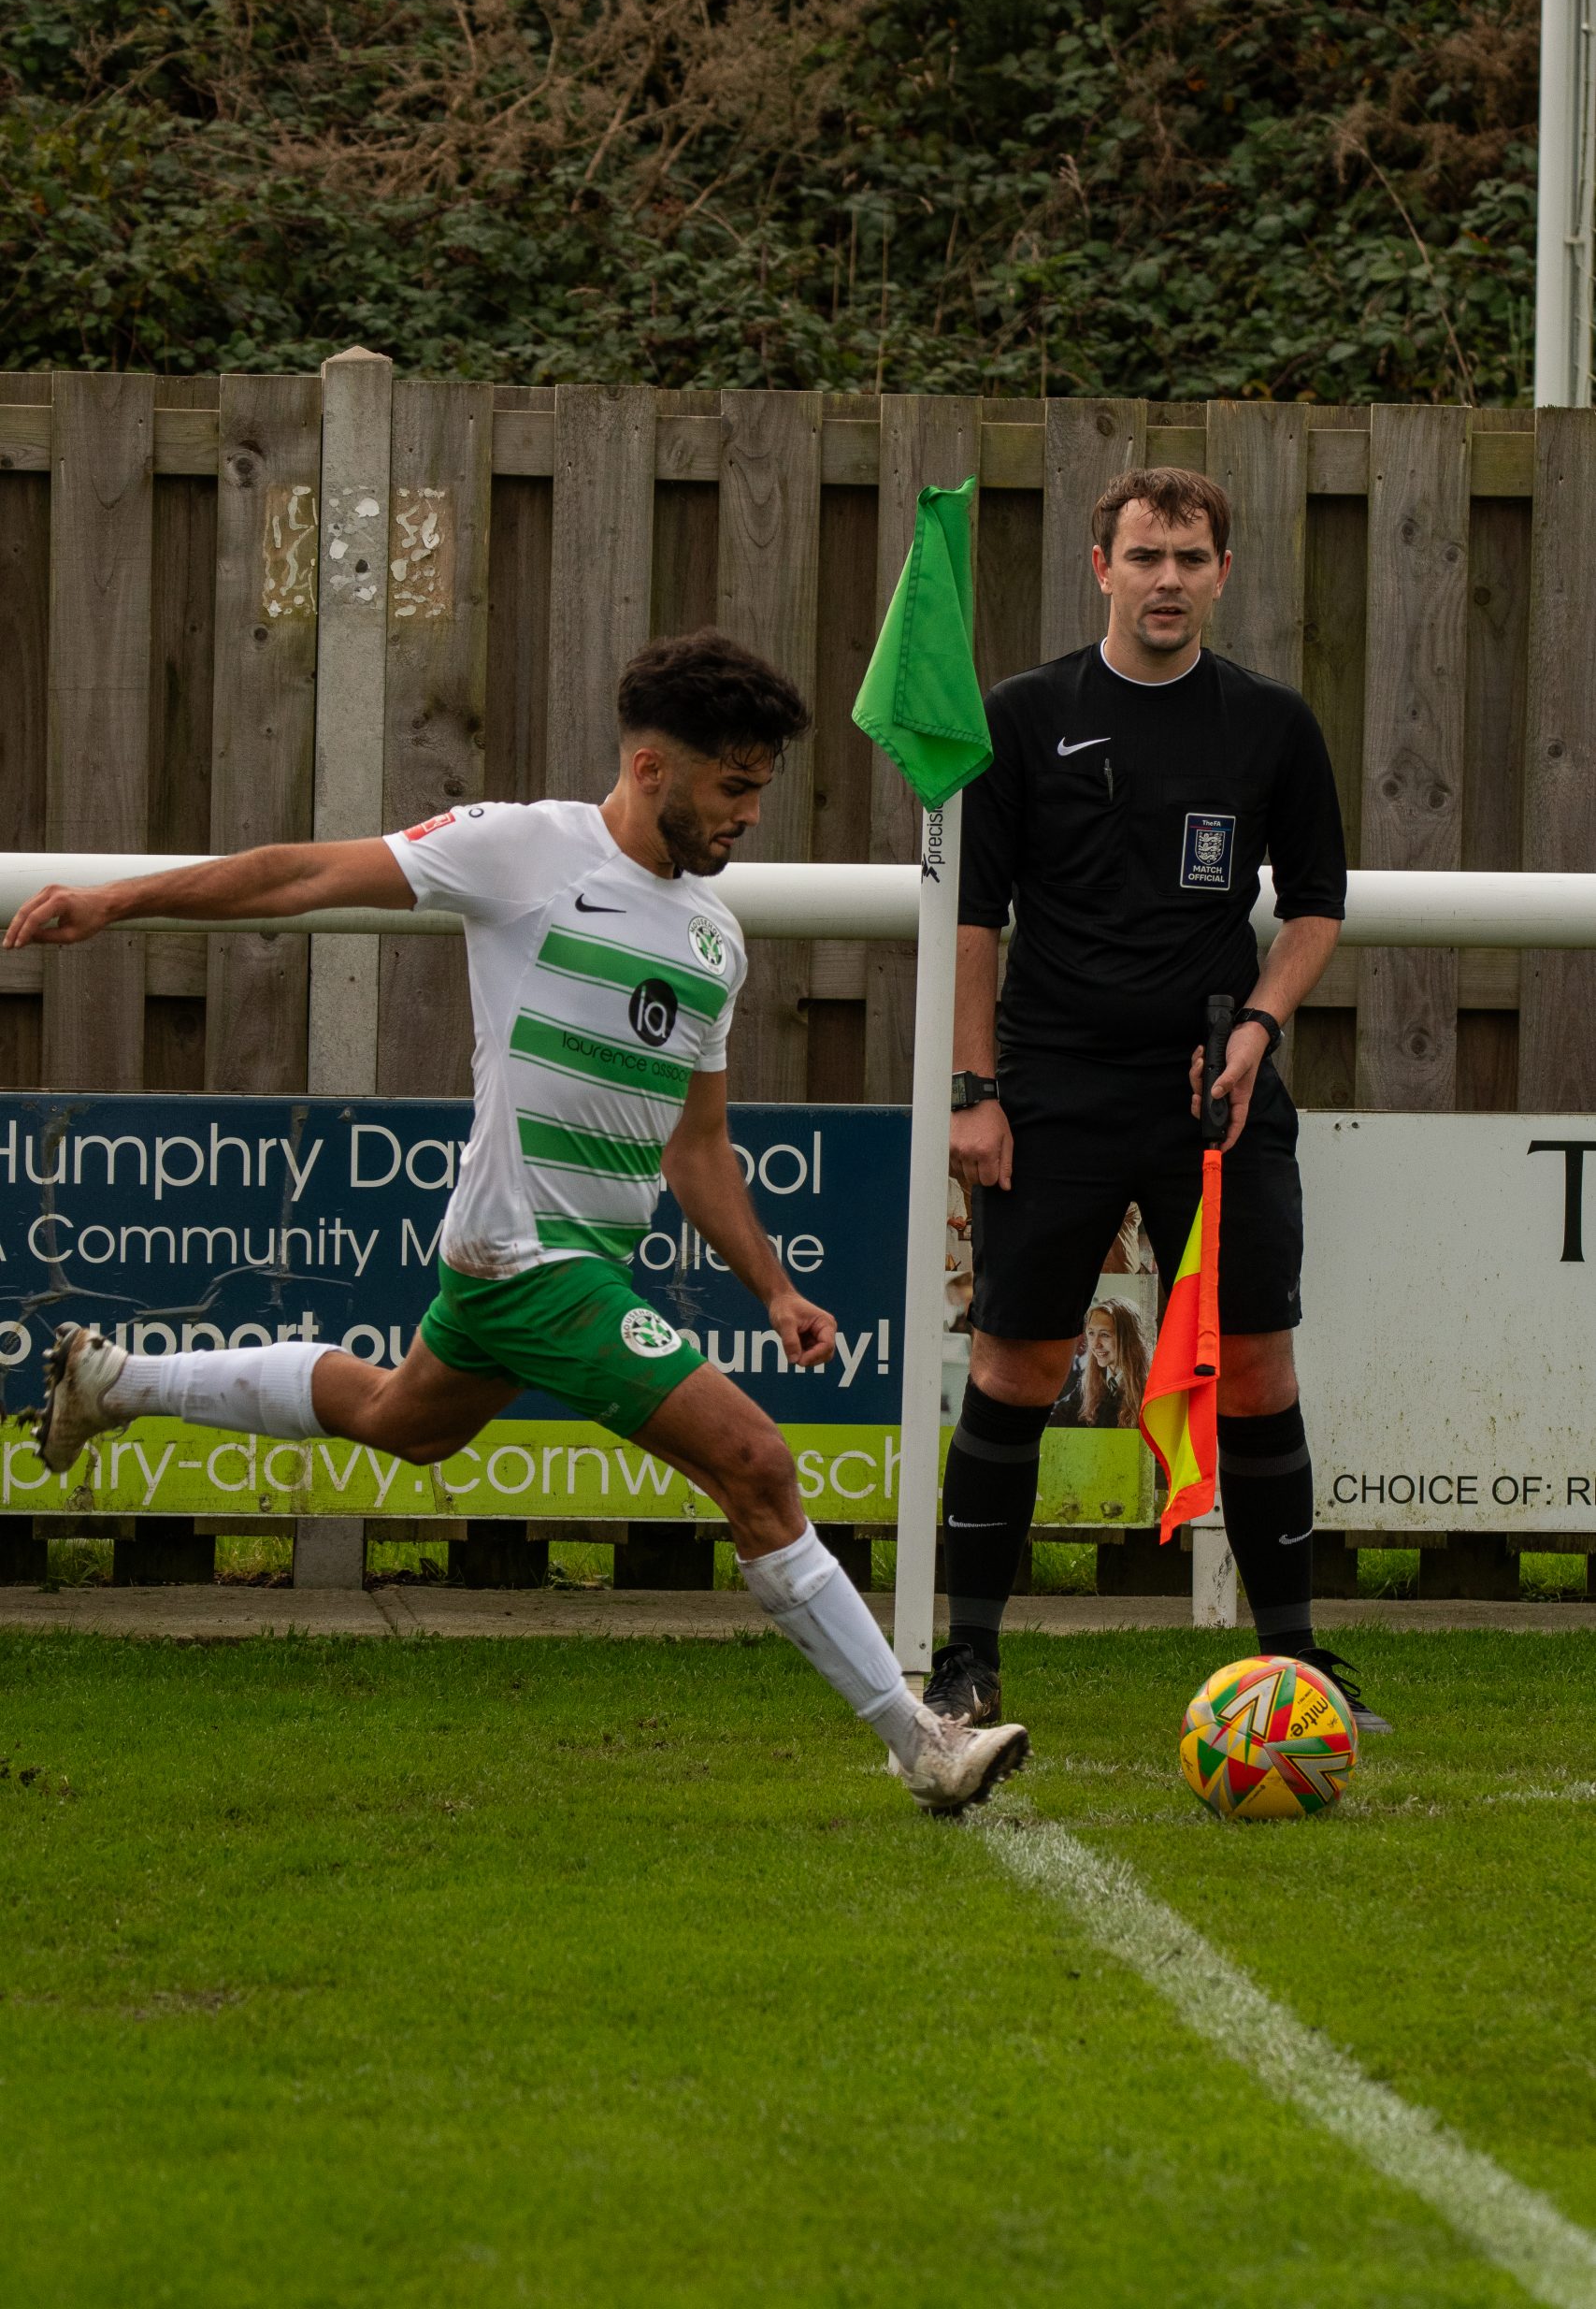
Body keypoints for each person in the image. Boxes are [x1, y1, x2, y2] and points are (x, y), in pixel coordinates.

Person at [7, 627, 1028, 1815]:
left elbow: (697, 1147)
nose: (751, 813)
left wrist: (774, 1288)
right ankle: (920, 1741)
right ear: (650, 767)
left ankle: (113, 1381)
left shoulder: (716, 936)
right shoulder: (526, 849)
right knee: (755, 1461)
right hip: (526, 1259)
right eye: (733, 786)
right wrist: (117, 901)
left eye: (760, 787)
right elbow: (300, 876)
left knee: (400, 1418)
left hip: (568, 1264)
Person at [937, 469, 1389, 1735]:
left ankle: (1294, 1666)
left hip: (1214, 1094)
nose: (1167, 580)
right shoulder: (1023, 715)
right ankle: (967, 1660)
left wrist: (1256, 1026)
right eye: (1144, 556)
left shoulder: (1270, 723)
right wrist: (973, 1092)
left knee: (1252, 1366)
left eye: (1191, 558)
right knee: (1018, 1363)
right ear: (1101, 567)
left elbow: (1316, 907)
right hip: (1050, 1090)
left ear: (1223, 574)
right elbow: (972, 917)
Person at [1051, 1299, 1149, 1431]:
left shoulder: (1149, 1387)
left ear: (1128, 1338)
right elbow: (1058, 1416)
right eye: (1091, 1333)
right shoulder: (1088, 1384)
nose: (1095, 1344)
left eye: (1105, 1335)